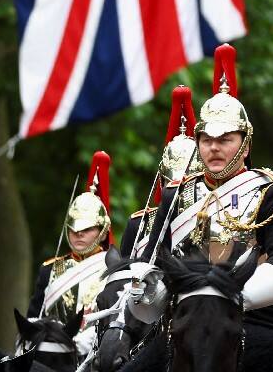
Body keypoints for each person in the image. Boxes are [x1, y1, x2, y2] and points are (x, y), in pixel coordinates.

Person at [159, 45, 273, 338]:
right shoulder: (175, 194)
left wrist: (235, 296)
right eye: (207, 139)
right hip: (183, 321)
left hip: (254, 317)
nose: (214, 147)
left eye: (225, 139)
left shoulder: (272, 193)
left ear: (246, 145)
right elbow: (156, 258)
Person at [26, 151, 116, 356]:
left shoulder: (113, 269)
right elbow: (34, 318)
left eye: (87, 229)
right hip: (52, 354)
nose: (78, 234)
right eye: (73, 229)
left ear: (102, 232)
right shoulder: (49, 269)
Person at [123, 85, 202, 260]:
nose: (177, 190)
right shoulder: (140, 225)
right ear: (162, 182)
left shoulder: (212, 215)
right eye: (171, 183)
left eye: (185, 184)